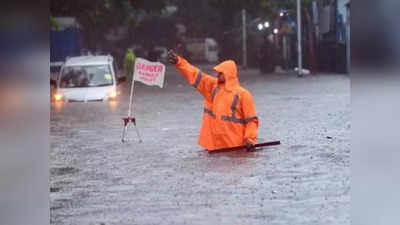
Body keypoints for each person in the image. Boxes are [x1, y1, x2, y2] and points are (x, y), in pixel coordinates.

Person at [168, 49, 259, 152]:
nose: (218, 74)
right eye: (218, 72)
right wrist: (179, 62)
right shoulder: (213, 87)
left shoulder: (243, 94)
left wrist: (250, 139)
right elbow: (195, 75)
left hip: (235, 148)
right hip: (215, 147)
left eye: (221, 73)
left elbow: (251, 120)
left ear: (229, 74)